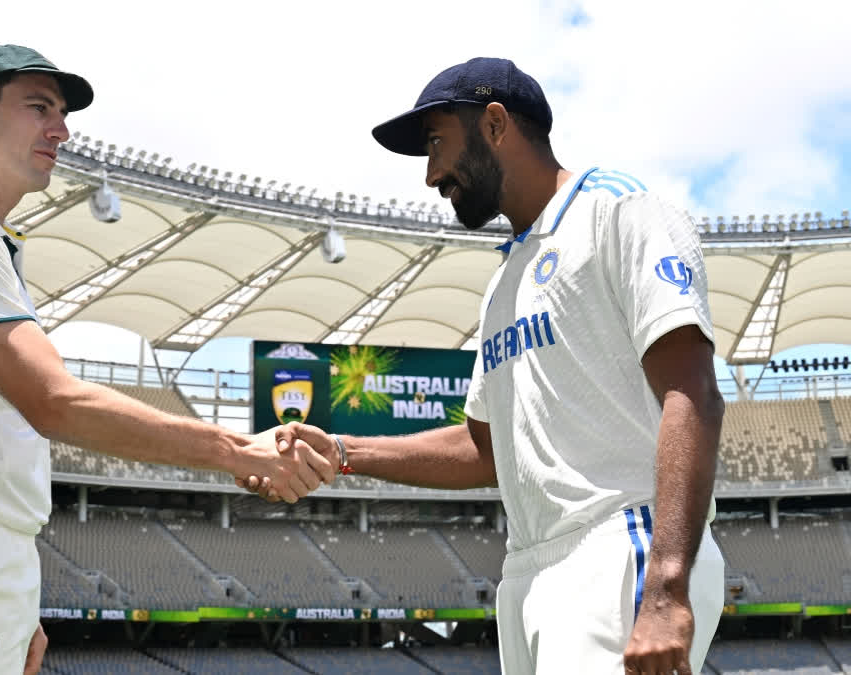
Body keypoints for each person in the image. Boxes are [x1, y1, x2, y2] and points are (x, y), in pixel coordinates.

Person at [0, 44, 334, 675]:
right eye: (39, 107)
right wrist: (237, 450)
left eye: (63, 113)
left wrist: (11, 595)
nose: (62, 129)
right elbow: (55, 402)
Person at [244, 57, 725, 675]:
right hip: (526, 571)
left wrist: (665, 587)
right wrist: (340, 449)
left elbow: (694, 393)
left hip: (619, 546)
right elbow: (486, 451)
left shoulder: (619, 212)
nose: (430, 173)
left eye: (438, 142)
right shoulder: (505, 281)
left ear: (496, 124)